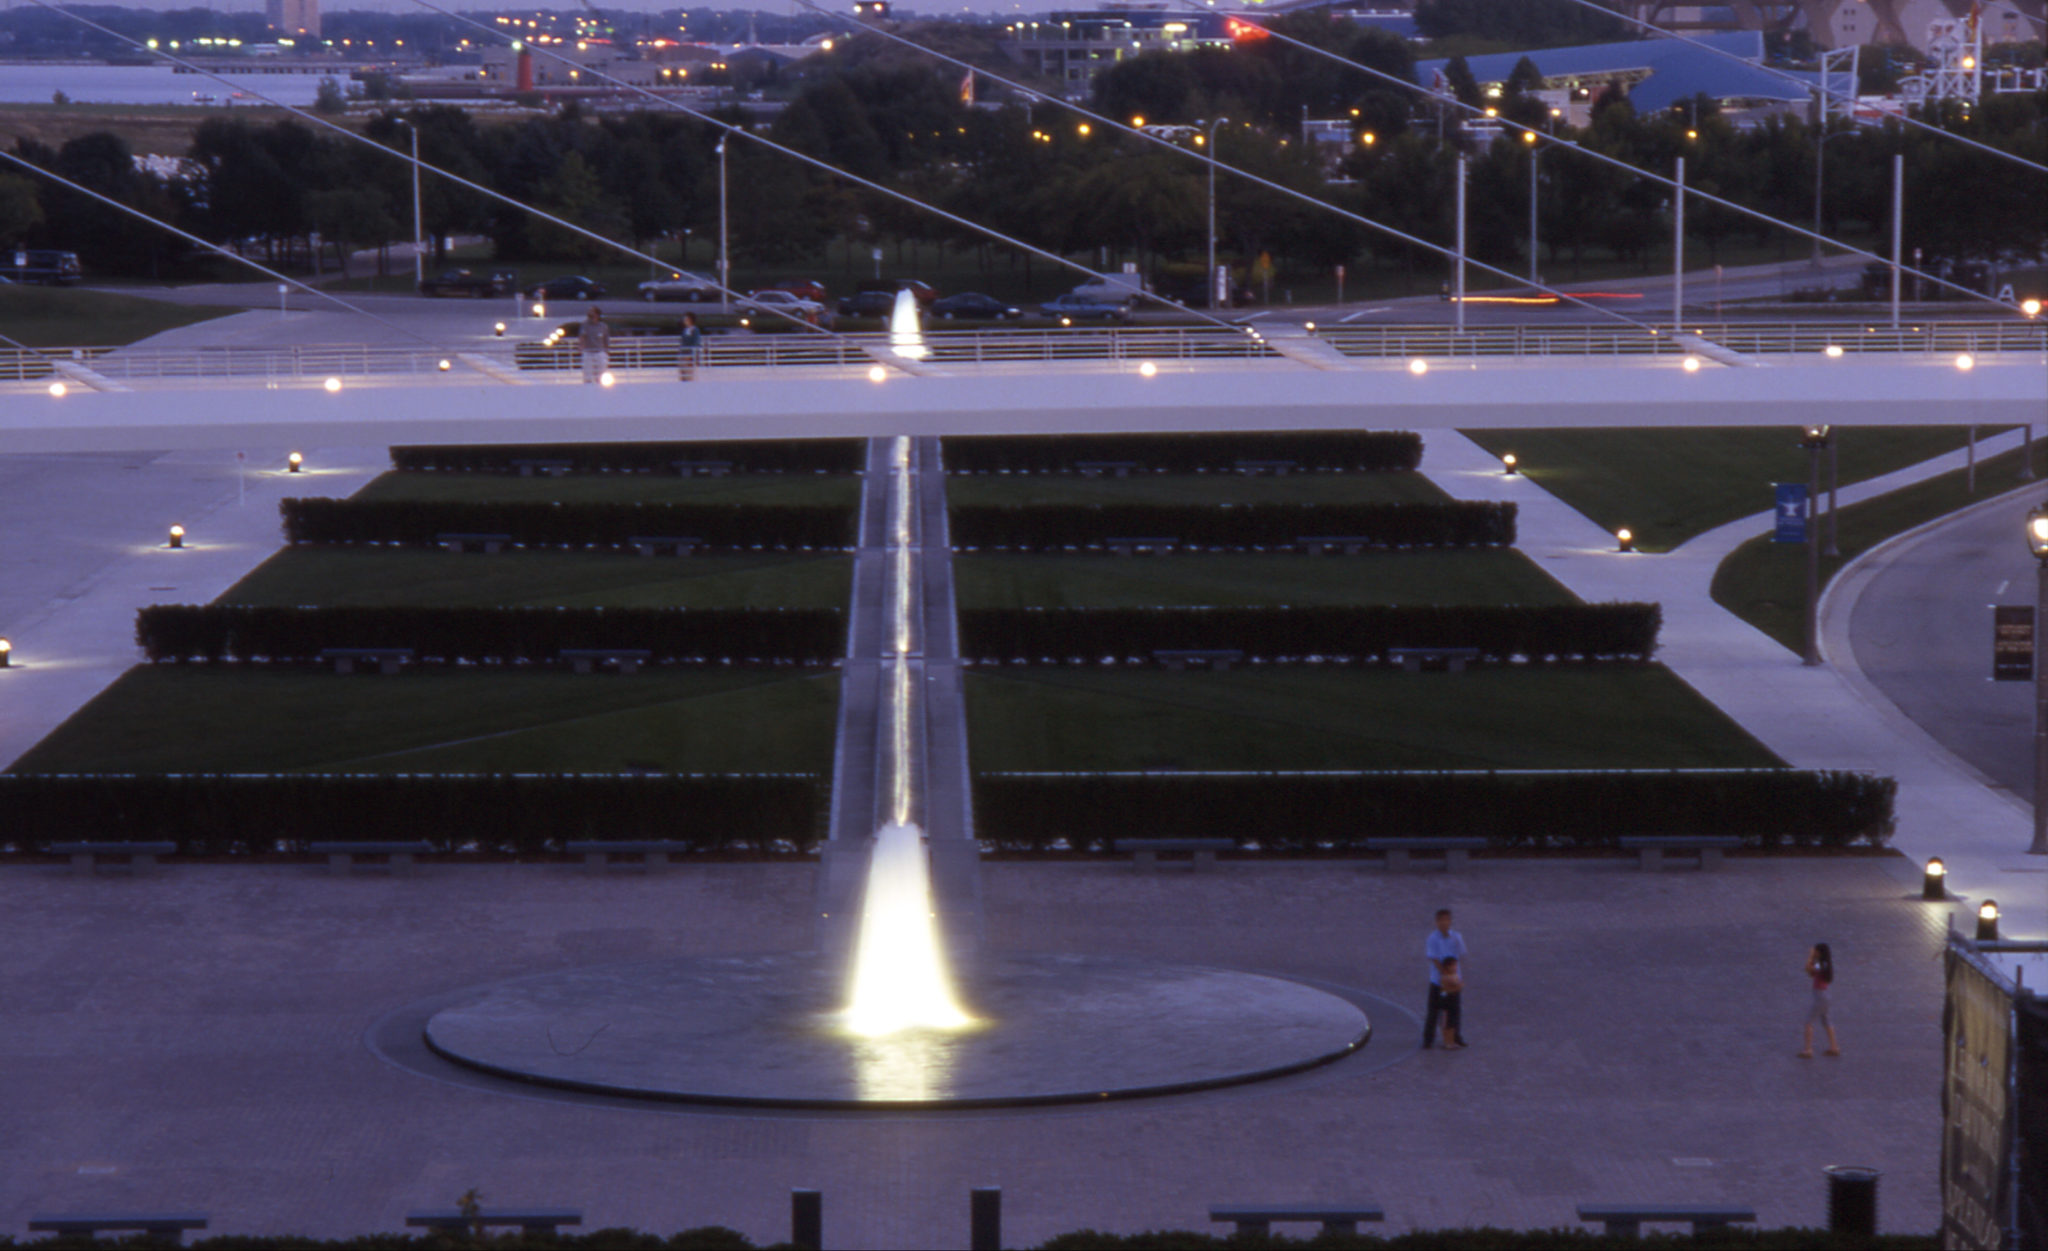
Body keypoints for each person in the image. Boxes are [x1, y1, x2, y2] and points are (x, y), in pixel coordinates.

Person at [1423, 907, 1466, 1050]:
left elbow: (1461, 954)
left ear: (1450, 921)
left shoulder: (1456, 937)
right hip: (1438, 981)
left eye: (1446, 920)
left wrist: (1455, 976)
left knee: (1455, 1010)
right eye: (1441, 920)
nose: (1444, 923)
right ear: (1437, 922)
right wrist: (1445, 974)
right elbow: (1434, 959)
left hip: (1453, 979)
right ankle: (1428, 1039)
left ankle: (1455, 1037)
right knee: (1433, 1011)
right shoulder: (1432, 938)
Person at [1799, 942, 1839, 1058]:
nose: (1814, 952)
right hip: (1825, 996)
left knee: (1808, 1022)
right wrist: (1812, 959)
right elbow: (1810, 973)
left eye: (1816, 951)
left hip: (1820, 997)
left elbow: (1807, 968)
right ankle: (1834, 1047)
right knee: (1827, 1021)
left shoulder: (1821, 964)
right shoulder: (1824, 964)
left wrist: (1810, 956)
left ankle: (1808, 1050)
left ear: (1820, 952)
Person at [1436, 955, 1465, 1050]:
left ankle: (1451, 1042)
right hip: (1448, 1002)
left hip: (1453, 1001)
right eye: (1453, 965)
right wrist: (1459, 984)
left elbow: (1458, 985)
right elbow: (1458, 985)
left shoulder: (1452, 976)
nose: (1455, 967)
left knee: (1452, 1024)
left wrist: (1458, 984)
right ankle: (1447, 1042)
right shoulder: (1447, 977)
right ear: (1448, 967)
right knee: (1447, 1023)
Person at [580, 306, 610, 384]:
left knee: (601, 373)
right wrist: (581, 346)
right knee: (587, 374)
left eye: (591, 311)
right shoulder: (585, 325)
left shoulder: (603, 326)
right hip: (588, 352)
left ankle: (600, 387)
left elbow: (606, 339)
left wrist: (606, 351)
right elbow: (582, 336)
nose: (589, 313)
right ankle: (588, 388)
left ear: (597, 314)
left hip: (600, 352)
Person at [678, 312, 703, 381]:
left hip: (690, 356)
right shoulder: (685, 330)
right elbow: (683, 342)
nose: (684, 320)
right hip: (683, 355)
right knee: (683, 374)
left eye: (686, 319)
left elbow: (696, 342)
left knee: (690, 374)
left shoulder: (695, 330)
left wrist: (691, 355)